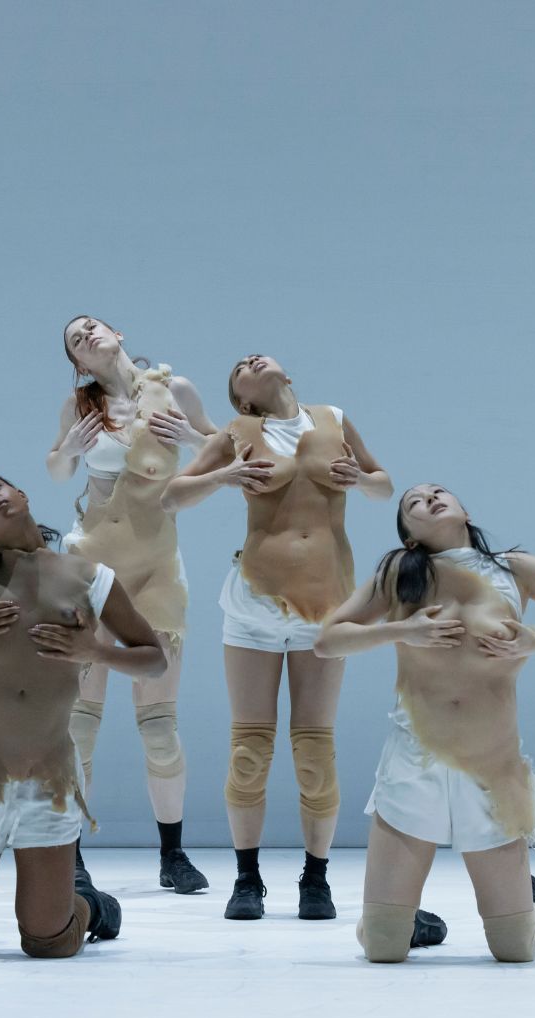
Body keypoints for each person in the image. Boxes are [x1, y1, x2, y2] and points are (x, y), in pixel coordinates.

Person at [314, 484, 535, 963]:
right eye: (414, 501)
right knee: (384, 948)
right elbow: (328, 640)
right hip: (414, 758)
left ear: (465, 511)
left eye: (439, 492)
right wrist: (403, 630)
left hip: (490, 765)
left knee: (514, 948)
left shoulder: (513, 568)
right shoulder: (399, 572)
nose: (430, 498)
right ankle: (406, 922)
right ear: (409, 536)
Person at [162, 354, 391, 920]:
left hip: (325, 606)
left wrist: (361, 480)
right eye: (240, 368)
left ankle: (316, 879)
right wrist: (223, 476)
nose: (250, 361)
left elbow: (384, 486)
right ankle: (247, 879)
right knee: (249, 750)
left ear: (286, 376)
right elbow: (172, 495)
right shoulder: (239, 432)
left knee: (314, 751)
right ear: (244, 398)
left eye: (256, 358)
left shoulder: (333, 417)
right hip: (254, 606)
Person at [0, 475, 166, 957]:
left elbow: (154, 660)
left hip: (49, 777)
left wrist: (95, 651)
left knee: (49, 942)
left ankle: (90, 906)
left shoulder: (91, 577)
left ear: (22, 496)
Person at [46, 315, 218, 893]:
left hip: (156, 570)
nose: (86, 337)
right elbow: (57, 469)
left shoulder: (175, 389)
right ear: (77, 362)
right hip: (91, 569)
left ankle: (173, 854)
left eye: (91, 328)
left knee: (160, 726)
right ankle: (69, 855)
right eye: (75, 340)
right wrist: (68, 449)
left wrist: (190, 438)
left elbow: (224, 449)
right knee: (79, 724)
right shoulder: (80, 407)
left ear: (116, 334)